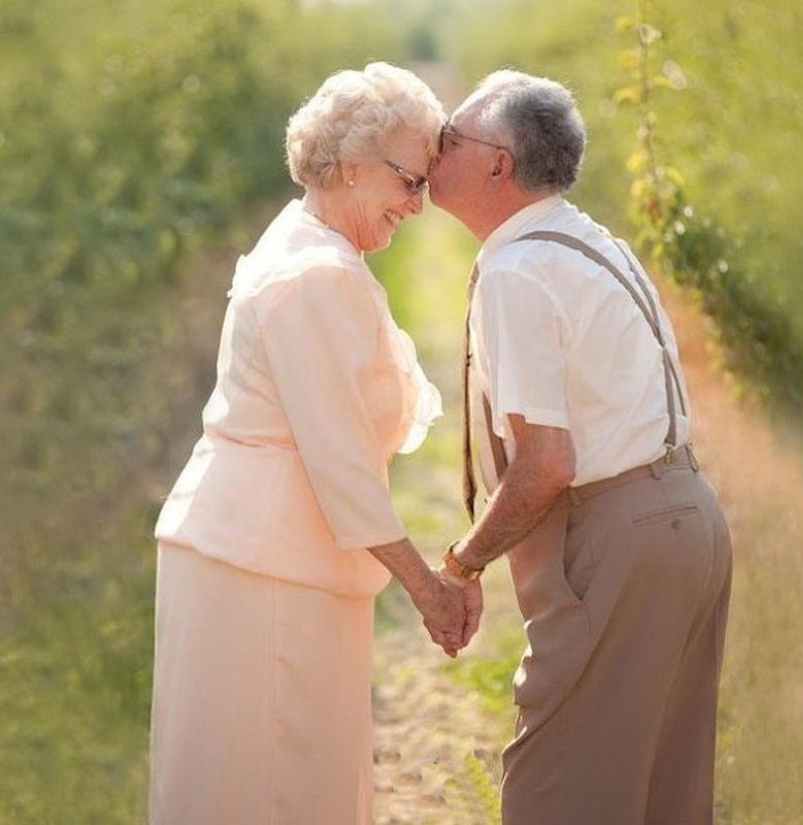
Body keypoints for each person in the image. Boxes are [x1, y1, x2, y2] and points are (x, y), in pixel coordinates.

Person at [148, 62, 479, 825]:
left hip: (267, 552)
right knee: (275, 781)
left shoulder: (312, 245)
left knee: (272, 777)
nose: (418, 205)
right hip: (265, 562)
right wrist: (427, 587)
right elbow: (339, 464)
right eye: (410, 180)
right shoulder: (315, 274)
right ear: (353, 164)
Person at [429, 70, 733, 824]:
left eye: (450, 137)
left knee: (557, 793)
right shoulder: (591, 241)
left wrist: (462, 563)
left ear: (498, 163)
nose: (434, 148)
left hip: (619, 537)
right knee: (661, 792)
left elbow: (546, 464)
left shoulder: (516, 271)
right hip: (688, 517)